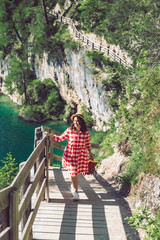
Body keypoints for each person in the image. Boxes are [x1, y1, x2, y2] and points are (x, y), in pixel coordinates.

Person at [43, 113, 93, 200]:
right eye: (74, 121)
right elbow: (60, 138)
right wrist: (50, 135)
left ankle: (73, 186)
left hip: (81, 156)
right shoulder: (69, 130)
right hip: (70, 155)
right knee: (74, 173)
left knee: (76, 174)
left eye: (77, 121)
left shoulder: (86, 132)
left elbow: (88, 144)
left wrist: (90, 154)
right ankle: (76, 193)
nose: (75, 123)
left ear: (81, 122)